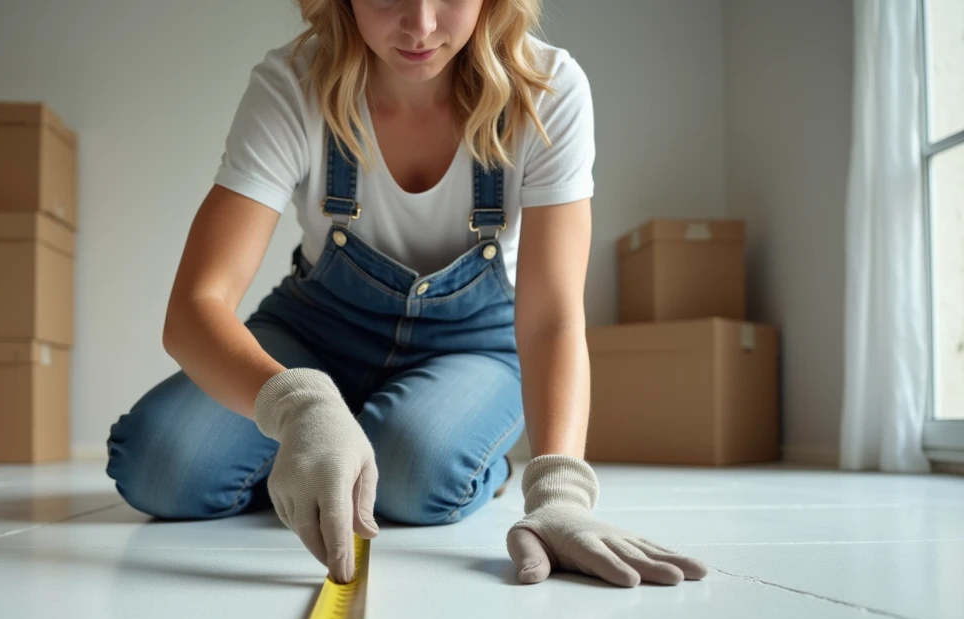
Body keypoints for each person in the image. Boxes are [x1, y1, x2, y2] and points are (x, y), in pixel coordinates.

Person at [106, 0, 708, 588]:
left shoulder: (547, 88)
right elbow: (194, 309)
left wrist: (560, 494)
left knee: (414, 475)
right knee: (161, 469)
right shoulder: (292, 86)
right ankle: (329, 442)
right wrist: (300, 409)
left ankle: (450, 456)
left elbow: (552, 318)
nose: (420, 24)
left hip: (469, 346)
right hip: (315, 333)